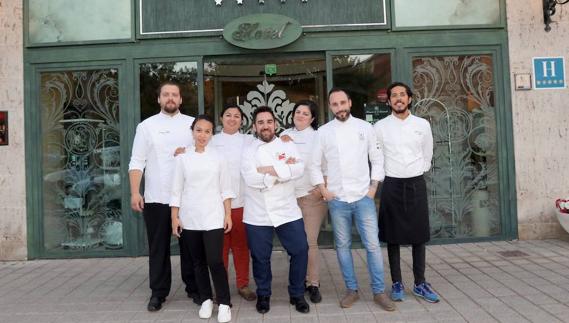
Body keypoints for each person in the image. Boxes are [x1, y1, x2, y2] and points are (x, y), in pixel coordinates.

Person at [310, 88, 395, 311]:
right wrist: (323, 189)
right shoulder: (323, 132)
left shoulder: (365, 128)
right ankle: (351, 289)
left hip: (363, 198)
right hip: (337, 200)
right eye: (335, 104)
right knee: (342, 246)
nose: (340, 108)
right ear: (330, 107)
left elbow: (377, 159)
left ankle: (378, 292)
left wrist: (373, 187)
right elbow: (314, 165)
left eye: (342, 102)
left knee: (373, 246)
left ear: (350, 102)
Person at [128, 81, 199, 312]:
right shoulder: (146, 126)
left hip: (187, 197)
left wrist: (187, 152)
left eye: (174, 95)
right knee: (158, 248)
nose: (170, 98)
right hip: (156, 197)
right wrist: (135, 191)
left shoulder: (192, 125)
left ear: (180, 100)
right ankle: (158, 292)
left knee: (191, 246)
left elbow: (205, 153)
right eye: (166, 94)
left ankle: (194, 287)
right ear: (159, 99)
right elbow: (137, 161)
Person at [373, 82, 439, 303]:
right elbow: (378, 158)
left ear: (409, 99)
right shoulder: (380, 127)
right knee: (393, 236)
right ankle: (397, 283)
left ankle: (420, 283)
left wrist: (418, 170)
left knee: (419, 235)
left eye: (402, 95)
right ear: (389, 100)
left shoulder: (422, 124)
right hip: (391, 184)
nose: (398, 98)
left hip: (415, 183)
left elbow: (427, 153)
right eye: (394, 95)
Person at [241, 106, 310, 314]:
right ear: (254, 126)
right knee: (260, 257)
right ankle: (263, 294)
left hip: (287, 209)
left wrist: (267, 171)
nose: (265, 126)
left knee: (300, 250)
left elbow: (298, 168)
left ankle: (297, 294)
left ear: (275, 124)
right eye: (260, 122)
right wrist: (281, 173)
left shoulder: (287, 144)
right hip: (257, 213)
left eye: (269, 122)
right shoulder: (248, 151)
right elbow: (251, 178)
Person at [171, 115, 234, 323]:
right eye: (199, 130)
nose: (203, 135)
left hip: (214, 216)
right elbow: (176, 190)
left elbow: (226, 189)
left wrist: (228, 214)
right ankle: (206, 299)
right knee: (197, 262)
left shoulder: (219, 157)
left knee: (215, 261)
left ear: (211, 135)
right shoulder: (182, 158)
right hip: (189, 218)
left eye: (207, 131)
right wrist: (175, 217)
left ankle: (224, 303)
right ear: (192, 132)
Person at [281, 100, 328, 303]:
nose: (300, 115)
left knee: (309, 242)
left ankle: (313, 283)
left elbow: (328, 164)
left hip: (311, 197)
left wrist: (321, 189)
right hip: (289, 198)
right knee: (296, 244)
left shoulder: (319, 137)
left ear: (313, 118)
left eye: (305, 113)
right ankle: (298, 281)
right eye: (298, 112)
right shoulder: (284, 136)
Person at [210, 104, 257, 301]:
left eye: (237, 116)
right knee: (219, 248)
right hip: (216, 204)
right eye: (228, 115)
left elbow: (271, 146)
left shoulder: (249, 140)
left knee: (241, 246)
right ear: (221, 118)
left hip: (242, 202)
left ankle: (243, 284)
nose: (232, 119)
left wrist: (287, 139)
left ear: (242, 121)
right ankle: (220, 287)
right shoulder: (212, 141)